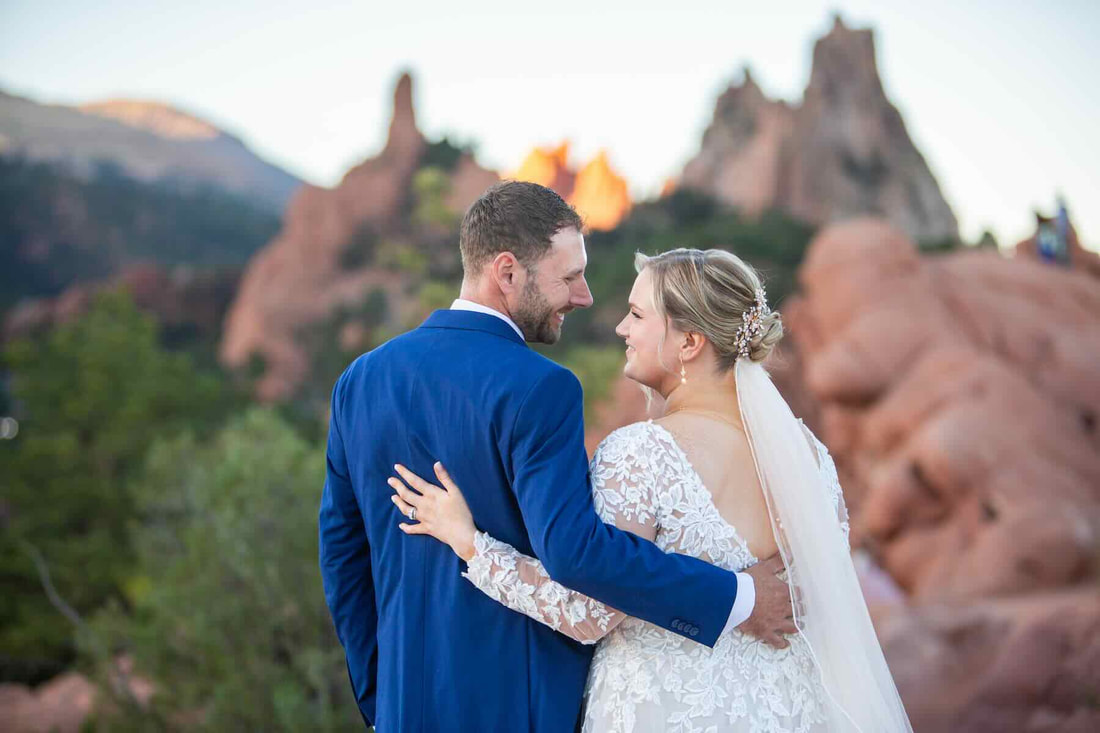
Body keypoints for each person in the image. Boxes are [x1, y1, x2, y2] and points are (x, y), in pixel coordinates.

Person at [319, 182, 795, 732]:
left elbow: (341, 557)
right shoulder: (540, 388)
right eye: (569, 277)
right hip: (523, 709)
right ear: (507, 272)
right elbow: (578, 554)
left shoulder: (360, 381)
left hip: (404, 708)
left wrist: (381, 701)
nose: (586, 296)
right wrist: (736, 597)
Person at [390, 247, 914, 731]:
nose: (621, 327)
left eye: (638, 316)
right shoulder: (808, 457)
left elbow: (588, 611)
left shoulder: (643, 452)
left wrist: (470, 544)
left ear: (689, 342)